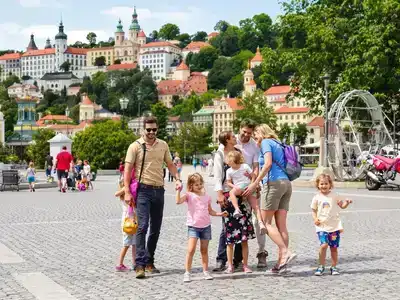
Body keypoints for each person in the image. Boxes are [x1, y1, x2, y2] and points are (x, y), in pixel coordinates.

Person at [124, 116, 182, 279]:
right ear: (143, 129)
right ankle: (140, 264)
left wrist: (177, 179)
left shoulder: (163, 145)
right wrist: (127, 191)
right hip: (143, 190)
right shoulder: (135, 146)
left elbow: (170, 164)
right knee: (143, 226)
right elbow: (127, 170)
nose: (151, 132)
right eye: (148, 130)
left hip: (159, 190)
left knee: (155, 228)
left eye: (154, 130)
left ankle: (150, 261)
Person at [245, 124, 297, 274]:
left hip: (273, 183)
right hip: (286, 184)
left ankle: (285, 252)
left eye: (255, 134)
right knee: (282, 226)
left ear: (262, 132)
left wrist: (255, 183)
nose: (255, 138)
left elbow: (267, 164)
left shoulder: (266, 142)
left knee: (266, 223)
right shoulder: (278, 143)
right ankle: (281, 264)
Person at [213, 130, 255, 272]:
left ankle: (238, 260)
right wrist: (219, 194)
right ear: (226, 140)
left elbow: (245, 172)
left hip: (242, 192)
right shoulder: (219, 155)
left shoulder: (238, 151)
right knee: (227, 227)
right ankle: (221, 259)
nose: (236, 137)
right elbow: (218, 177)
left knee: (242, 225)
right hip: (227, 193)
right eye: (233, 137)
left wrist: (250, 186)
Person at [176, 173, 228, 282]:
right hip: (193, 227)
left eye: (200, 184)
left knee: (204, 250)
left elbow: (210, 211)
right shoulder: (189, 195)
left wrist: (220, 214)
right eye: (196, 185)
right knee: (191, 250)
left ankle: (205, 271)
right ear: (191, 186)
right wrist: (178, 191)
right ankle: (187, 272)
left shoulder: (207, 197)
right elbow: (178, 201)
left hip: (206, 227)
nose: (199, 186)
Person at [311, 174, 352, 276]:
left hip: (334, 226)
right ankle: (321, 266)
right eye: (321, 184)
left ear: (330, 185)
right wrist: (315, 219)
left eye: (326, 184)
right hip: (322, 226)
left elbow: (342, 206)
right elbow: (313, 210)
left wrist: (347, 203)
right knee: (324, 245)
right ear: (318, 185)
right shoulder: (316, 197)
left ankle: (334, 267)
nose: (324, 186)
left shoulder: (335, 196)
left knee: (333, 247)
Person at [226, 151, 265, 231]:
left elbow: (228, 183)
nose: (228, 163)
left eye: (230, 161)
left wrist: (234, 187)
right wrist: (251, 185)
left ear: (234, 160)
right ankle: (261, 223)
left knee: (231, 193)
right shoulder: (245, 166)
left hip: (241, 187)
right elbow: (253, 176)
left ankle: (237, 209)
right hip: (248, 187)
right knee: (256, 206)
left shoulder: (230, 171)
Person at [115, 180, 137, 272]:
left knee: (134, 244)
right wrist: (125, 189)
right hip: (127, 222)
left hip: (134, 221)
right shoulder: (125, 195)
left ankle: (135, 263)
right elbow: (116, 194)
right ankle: (119, 264)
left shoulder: (130, 195)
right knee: (126, 244)